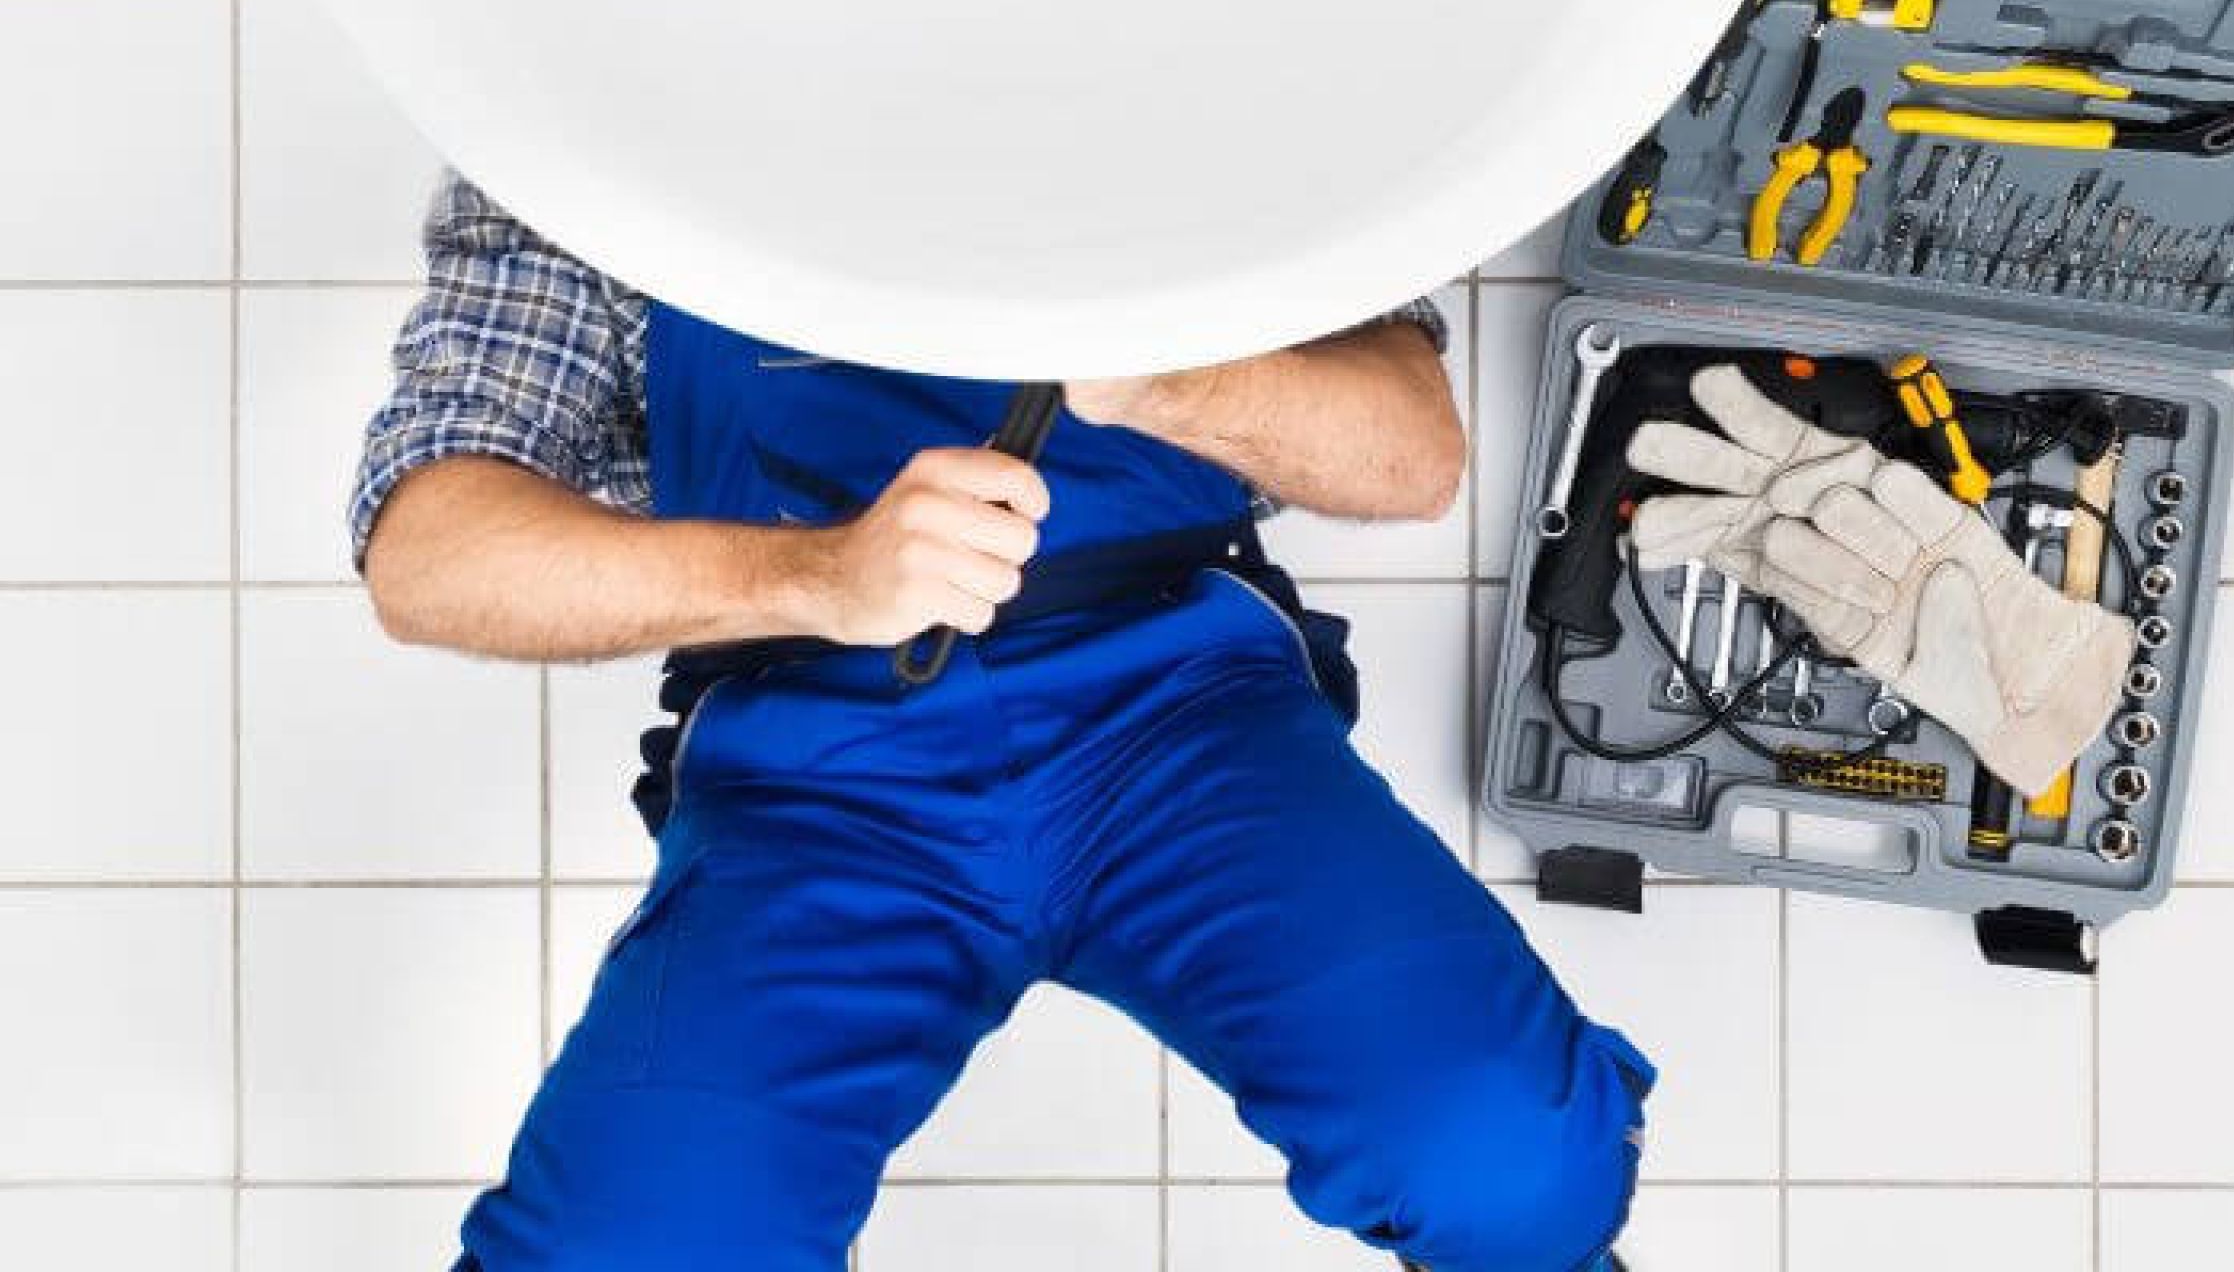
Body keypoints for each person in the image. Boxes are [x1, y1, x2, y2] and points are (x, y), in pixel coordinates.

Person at [353, 173, 1652, 1272]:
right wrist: (815, 576)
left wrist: (1167, 383)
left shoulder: (1198, 64)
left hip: (1183, 720)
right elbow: (429, 553)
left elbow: (1410, 452)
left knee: (1507, 1152)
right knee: (632, 1245)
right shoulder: (591, 124)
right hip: (812, 779)